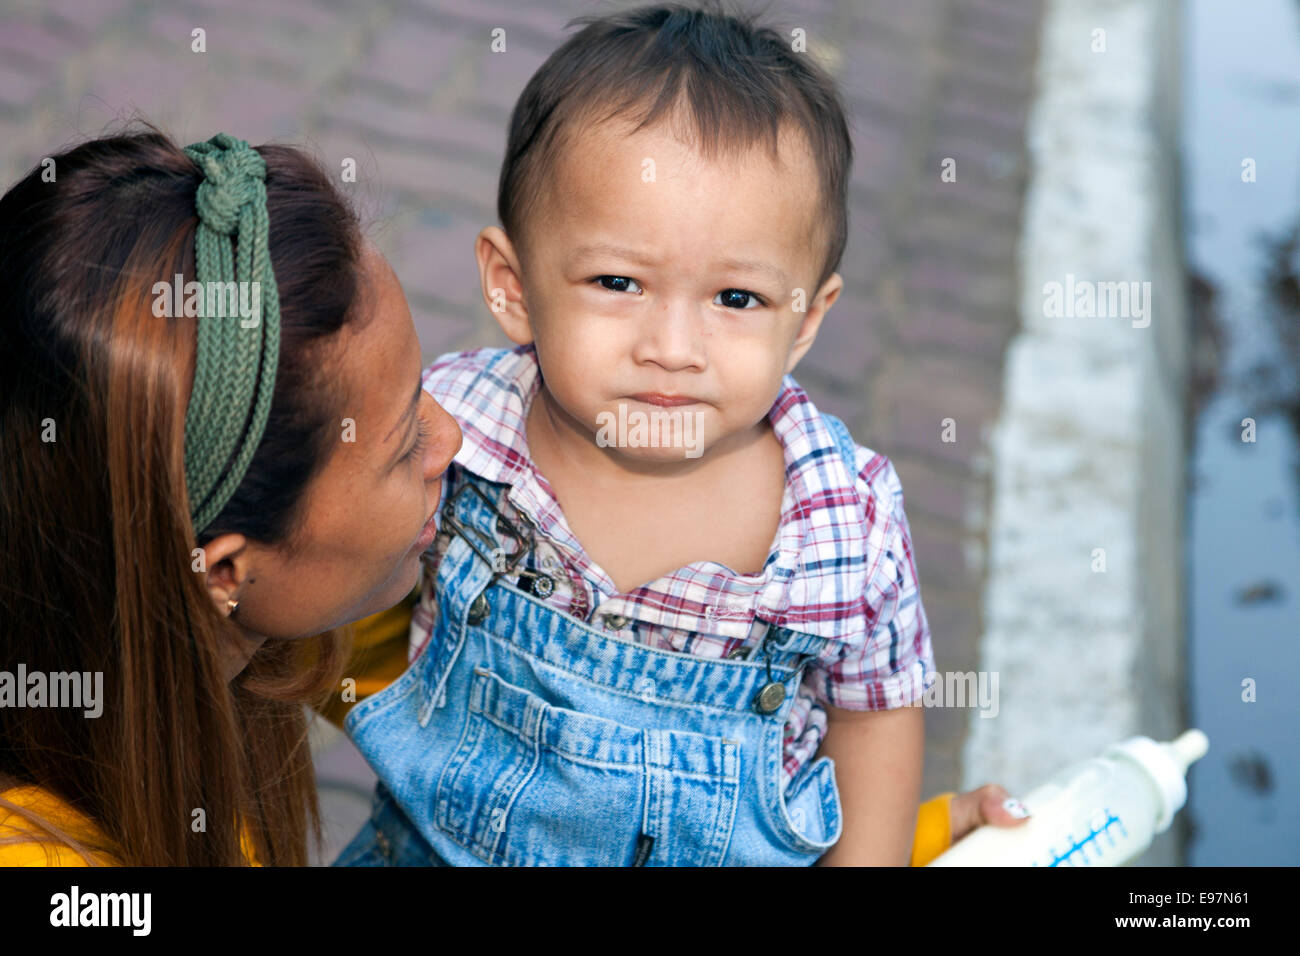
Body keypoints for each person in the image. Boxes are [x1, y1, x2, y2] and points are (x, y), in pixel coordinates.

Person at [330, 2, 1027, 867]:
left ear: (805, 321)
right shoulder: (459, 429)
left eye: (737, 300)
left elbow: (874, 718)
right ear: (512, 285)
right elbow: (338, 576)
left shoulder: (844, 527)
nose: (672, 349)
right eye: (619, 282)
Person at [0, 127, 460, 865]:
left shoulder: (261, 616)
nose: (453, 439)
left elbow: (386, 655)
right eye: (405, 443)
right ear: (223, 572)